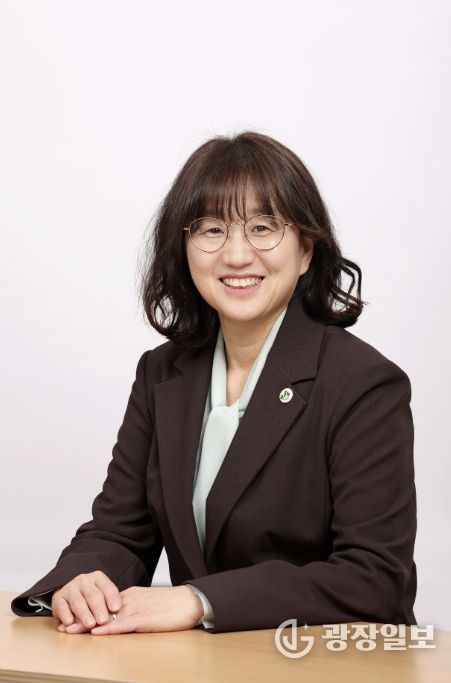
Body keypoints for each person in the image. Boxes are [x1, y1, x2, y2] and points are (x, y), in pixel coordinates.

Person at [10, 131, 417, 635]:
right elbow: (120, 532)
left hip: (329, 660)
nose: (237, 255)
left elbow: (374, 578)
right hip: (205, 661)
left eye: (263, 228)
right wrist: (82, 580)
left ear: (306, 251)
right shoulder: (162, 373)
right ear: (185, 248)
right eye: (212, 230)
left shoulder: (363, 384)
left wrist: (199, 601)